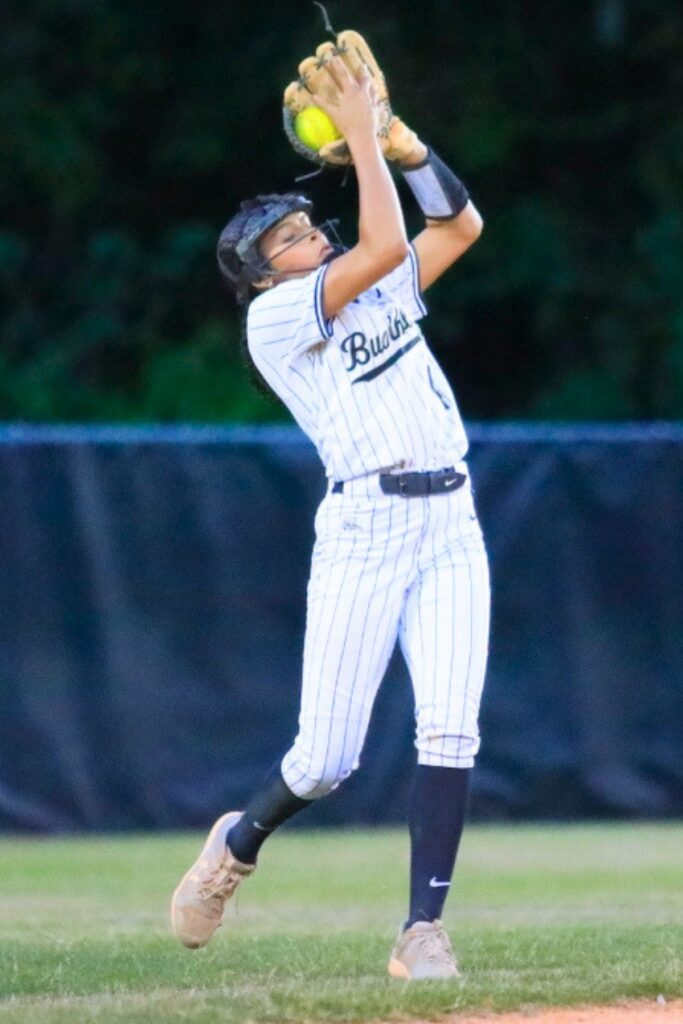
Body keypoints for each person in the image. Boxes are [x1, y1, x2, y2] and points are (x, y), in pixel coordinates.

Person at [171, 52, 490, 981]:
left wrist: (400, 143)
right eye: (293, 238)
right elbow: (388, 247)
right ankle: (237, 841)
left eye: (311, 222)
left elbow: (458, 225)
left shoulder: (372, 280)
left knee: (451, 728)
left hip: (450, 521)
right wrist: (356, 134)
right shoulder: (275, 325)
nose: (313, 234)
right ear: (261, 277)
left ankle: (421, 929)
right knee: (325, 758)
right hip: (365, 532)